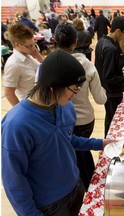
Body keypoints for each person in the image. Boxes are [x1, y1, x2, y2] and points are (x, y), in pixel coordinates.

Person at [2, 49, 116, 216]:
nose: (76, 94)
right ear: (52, 86)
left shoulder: (66, 107)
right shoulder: (16, 125)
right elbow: (13, 179)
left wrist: (99, 143)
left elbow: (67, 139)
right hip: (49, 205)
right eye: (74, 88)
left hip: (75, 188)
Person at [54, 22, 107, 191]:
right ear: (75, 42)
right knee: (80, 155)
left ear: (55, 40)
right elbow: (100, 99)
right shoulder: (86, 66)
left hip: (61, 121)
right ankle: (89, 187)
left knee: (76, 154)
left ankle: (85, 186)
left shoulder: (49, 65)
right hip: (84, 120)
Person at [95, 17, 124, 137]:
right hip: (112, 92)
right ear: (118, 31)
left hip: (105, 89)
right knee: (113, 122)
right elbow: (109, 77)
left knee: (109, 119)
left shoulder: (101, 41)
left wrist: (121, 71)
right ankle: (110, 145)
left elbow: (106, 69)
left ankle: (107, 141)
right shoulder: (111, 48)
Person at [3, 22, 44, 107]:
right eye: (29, 46)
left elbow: (45, 69)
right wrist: (22, 111)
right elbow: (9, 94)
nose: (33, 48)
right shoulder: (13, 64)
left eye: (34, 44)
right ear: (17, 45)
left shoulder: (29, 55)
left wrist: (38, 56)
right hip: (32, 107)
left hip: (43, 101)